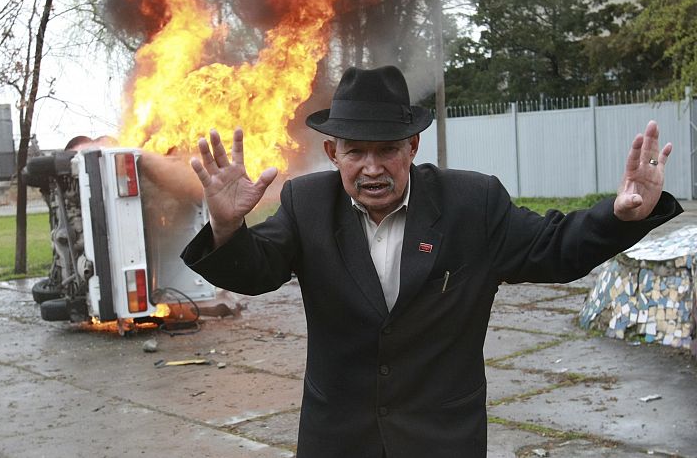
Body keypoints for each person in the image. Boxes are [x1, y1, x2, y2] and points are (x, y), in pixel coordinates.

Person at [180, 65, 682, 458]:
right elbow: (257, 270)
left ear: (413, 146)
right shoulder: (306, 203)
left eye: (387, 151)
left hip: (441, 440)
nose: (372, 168)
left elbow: (554, 246)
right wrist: (227, 226)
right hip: (337, 440)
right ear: (333, 152)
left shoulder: (471, 203)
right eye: (356, 152)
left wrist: (620, 217)